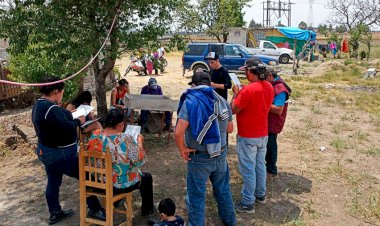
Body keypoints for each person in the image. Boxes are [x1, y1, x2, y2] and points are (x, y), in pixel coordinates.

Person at [32, 77, 104, 225]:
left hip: (46, 151)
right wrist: (79, 121)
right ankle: (95, 208)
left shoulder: (39, 105)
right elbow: (66, 127)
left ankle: (55, 212)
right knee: (85, 176)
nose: (62, 95)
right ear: (55, 91)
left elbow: (59, 120)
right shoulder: (51, 109)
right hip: (61, 154)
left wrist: (70, 115)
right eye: (62, 92)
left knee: (53, 181)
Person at [174, 71, 236, 226]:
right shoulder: (221, 100)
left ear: (194, 85)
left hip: (199, 156)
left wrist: (182, 149)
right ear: (209, 84)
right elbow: (229, 129)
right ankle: (230, 221)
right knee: (223, 190)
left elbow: (178, 132)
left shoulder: (191, 101)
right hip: (220, 154)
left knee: (196, 196)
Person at [87, 108, 155, 216]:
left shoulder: (95, 136)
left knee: (120, 170)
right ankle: (147, 209)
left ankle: (116, 201)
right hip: (115, 185)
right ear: (121, 125)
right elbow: (139, 161)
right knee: (146, 177)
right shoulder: (125, 139)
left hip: (98, 182)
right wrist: (140, 142)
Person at [230, 58, 274, 213]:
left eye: (246, 71)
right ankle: (260, 195)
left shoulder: (247, 90)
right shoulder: (269, 86)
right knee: (260, 165)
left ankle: (248, 203)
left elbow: (233, 110)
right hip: (262, 133)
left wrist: (236, 94)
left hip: (248, 135)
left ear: (251, 71)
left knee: (248, 169)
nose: (245, 74)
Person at [265, 69, 291, 178]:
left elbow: (278, 109)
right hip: (269, 120)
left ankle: (271, 169)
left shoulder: (280, 89)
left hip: (274, 121)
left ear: (270, 76)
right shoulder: (273, 84)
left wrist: (262, 102)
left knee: (271, 144)